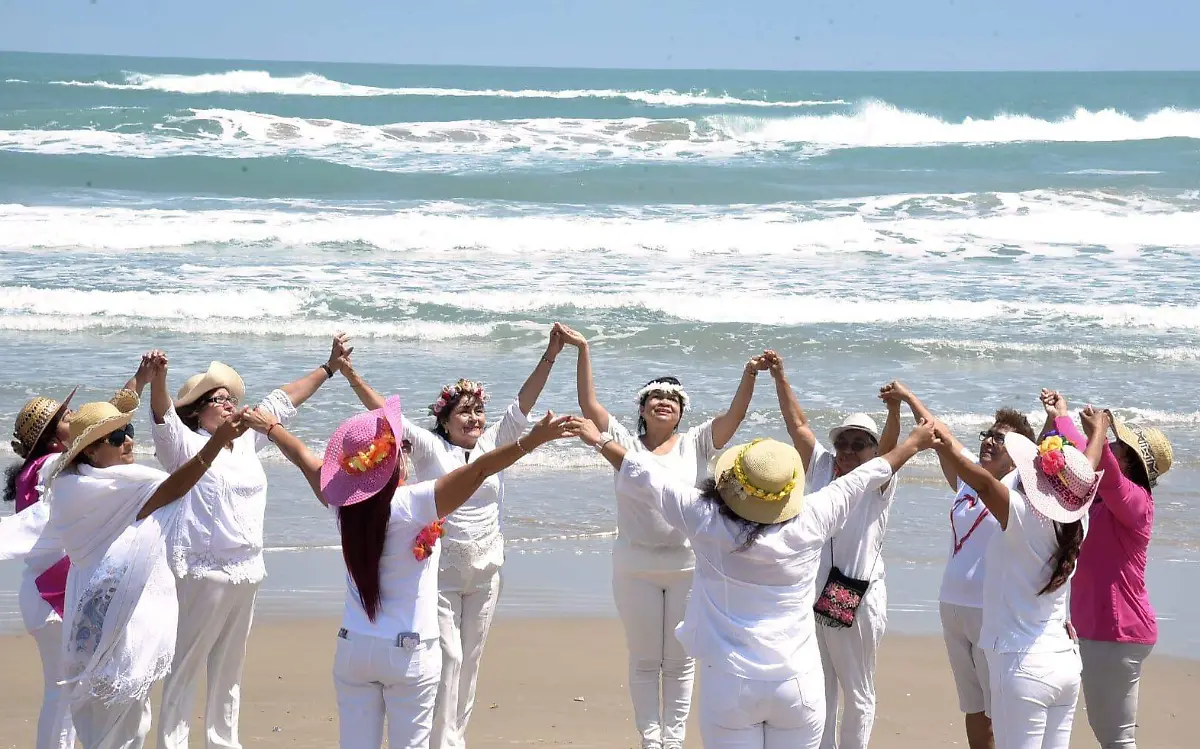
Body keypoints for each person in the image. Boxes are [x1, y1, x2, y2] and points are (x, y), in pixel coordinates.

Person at [569, 415, 935, 749]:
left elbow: (644, 474)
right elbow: (870, 473)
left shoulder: (705, 517)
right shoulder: (813, 516)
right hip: (798, 683)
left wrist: (599, 441)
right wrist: (914, 441)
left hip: (729, 682)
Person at [240, 396, 575, 749]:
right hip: (409, 651)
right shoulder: (414, 504)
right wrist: (531, 440)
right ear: (393, 460)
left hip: (354, 647)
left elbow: (302, 457)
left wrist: (273, 429)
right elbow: (478, 470)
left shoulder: (341, 505)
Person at [338, 327, 561, 749]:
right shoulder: (426, 446)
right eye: (464, 411)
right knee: (449, 659)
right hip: (440, 572)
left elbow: (524, 402)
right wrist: (350, 374)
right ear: (444, 418)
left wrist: (550, 353)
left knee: (470, 662)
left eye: (478, 410)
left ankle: (455, 739)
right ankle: (439, 742)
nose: (474, 418)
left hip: (487, 569)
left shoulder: (495, 440)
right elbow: (386, 415)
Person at [1, 391, 247, 749]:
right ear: (89, 451)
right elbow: (174, 487)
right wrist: (217, 444)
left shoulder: (98, 481)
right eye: (116, 437)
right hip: (101, 617)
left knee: (125, 720)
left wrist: (142, 385)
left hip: (108, 608)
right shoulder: (84, 489)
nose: (128, 440)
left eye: (128, 430)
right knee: (110, 723)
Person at [557, 323, 760, 749]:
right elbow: (587, 404)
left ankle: (674, 740)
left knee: (681, 659)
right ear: (643, 409)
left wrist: (751, 374)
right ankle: (651, 740)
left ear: (681, 412)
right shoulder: (625, 442)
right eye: (656, 398)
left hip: (688, 564)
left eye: (671, 400)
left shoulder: (698, 444)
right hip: (634, 565)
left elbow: (735, 417)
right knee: (646, 660)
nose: (663, 403)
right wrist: (583, 348)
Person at [148, 336, 351, 749]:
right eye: (217, 399)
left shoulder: (247, 440)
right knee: (184, 666)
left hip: (247, 571)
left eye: (229, 398)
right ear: (197, 412)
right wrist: (159, 378)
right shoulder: (184, 445)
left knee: (229, 669)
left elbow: (287, 397)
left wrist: (328, 368)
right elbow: (162, 413)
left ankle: (224, 743)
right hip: (203, 573)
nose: (228, 403)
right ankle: (172, 742)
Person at [3, 356, 156, 749]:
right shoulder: (55, 466)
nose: (75, 415)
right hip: (54, 593)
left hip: (40, 591)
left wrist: (136, 383)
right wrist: (135, 386)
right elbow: (102, 425)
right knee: (70, 695)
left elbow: (101, 423)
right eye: (67, 415)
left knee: (62, 695)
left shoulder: (34, 470)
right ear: (56, 437)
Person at [882, 382, 1036, 749]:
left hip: (990, 611)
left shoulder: (1018, 491)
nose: (988, 441)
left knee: (998, 706)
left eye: (999, 440)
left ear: (1016, 455)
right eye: (988, 434)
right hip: (951, 606)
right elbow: (939, 432)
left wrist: (1055, 421)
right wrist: (905, 397)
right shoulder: (968, 482)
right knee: (972, 705)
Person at [932, 415, 1099, 749]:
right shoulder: (1080, 518)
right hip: (1065, 664)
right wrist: (1099, 433)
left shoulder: (1021, 515)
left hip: (1022, 663)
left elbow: (981, 482)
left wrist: (948, 446)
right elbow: (1087, 468)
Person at [766, 352, 898, 749]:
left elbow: (893, 445)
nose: (848, 450)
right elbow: (798, 425)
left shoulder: (876, 479)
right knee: (819, 686)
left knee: (857, 692)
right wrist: (780, 377)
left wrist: (894, 409)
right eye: (843, 442)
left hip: (855, 593)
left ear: (873, 451)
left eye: (859, 444)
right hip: (816, 593)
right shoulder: (822, 466)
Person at [1040, 390, 1172, 749]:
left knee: (1115, 737)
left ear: (1130, 461)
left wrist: (1084, 426)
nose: (1110, 445)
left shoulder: (1137, 502)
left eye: (1117, 443)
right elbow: (1088, 459)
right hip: (1102, 630)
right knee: (1108, 732)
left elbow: (1103, 470)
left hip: (1117, 631)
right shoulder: (1106, 498)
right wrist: (1060, 419)